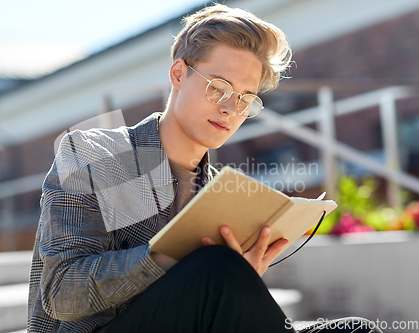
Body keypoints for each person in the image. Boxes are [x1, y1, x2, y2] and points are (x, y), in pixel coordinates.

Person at [27, 4, 382, 333]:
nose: (231, 108)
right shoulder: (100, 153)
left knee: (356, 329)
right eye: (219, 87)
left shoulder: (219, 192)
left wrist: (244, 278)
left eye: (246, 98)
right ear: (179, 74)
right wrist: (177, 255)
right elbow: (62, 294)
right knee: (215, 264)